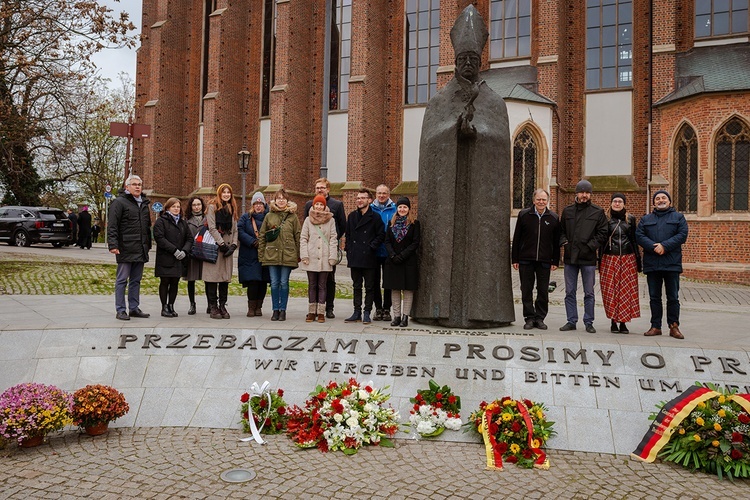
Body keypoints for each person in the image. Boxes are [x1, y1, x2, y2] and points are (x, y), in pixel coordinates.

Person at [412, 5, 514, 328]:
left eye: (473, 60)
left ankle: (483, 312)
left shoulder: (494, 102)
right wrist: (453, 130)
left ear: (480, 62)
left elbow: (501, 143)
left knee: (480, 253)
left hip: (479, 203)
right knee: (443, 252)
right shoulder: (439, 101)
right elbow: (428, 144)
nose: (468, 64)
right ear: (455, 62)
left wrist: (478, 133)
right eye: (462, 60)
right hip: (447, 201)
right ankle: (439, 310)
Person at [636, 189, 688, 339]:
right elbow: (639, 236)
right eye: (657, 198)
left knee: (673, 297)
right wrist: (654, 246)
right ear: (653, 202)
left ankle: (674, 326)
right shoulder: (646, 219)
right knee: (654, 297)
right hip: (653, 264)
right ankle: (655, 326)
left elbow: (682, 235)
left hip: (671, 264)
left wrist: (664, 246)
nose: (660, 200)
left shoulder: (678, 217)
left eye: (663, 198)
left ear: (670, 201)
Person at [559, 179, 608, 333]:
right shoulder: (567, 211)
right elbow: (560, 231)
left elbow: (603, 233)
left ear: (590, 194)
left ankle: (589, 321)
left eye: (587, 192)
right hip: (570, 258)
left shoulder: (598, 212)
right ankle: (571, 320)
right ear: (577, 193)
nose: (584, 195)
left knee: (589, 292)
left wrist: (590, 246)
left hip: (588, 259)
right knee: (569, 291)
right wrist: (564, 242)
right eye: (582, 192)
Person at [511, 188, 561, 330]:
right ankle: (529, 318)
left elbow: (556, 241)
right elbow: (517, 238)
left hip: (545, 260)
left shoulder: (553, 218)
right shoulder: (524, 215)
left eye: (543, 199)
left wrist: (555, 260)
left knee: (543, 291)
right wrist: (515, 259)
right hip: (525, 259)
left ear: (547, 201)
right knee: (526, 290)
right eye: (538, 199)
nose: (541, 202)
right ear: (533, 200)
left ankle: (540, 318)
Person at [107, 175, 151, 320]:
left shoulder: (144, 203)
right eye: (134, 184)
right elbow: (113, 225)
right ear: (127, 187)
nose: (138, 187)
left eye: (139, 184)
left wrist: (148, 244)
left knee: (136, 280)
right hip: (125, 247)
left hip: (140, 247)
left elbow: (147, 226)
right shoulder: (119, 203)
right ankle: (120, 310)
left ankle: (134, 308)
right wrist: (113, 244)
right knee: (122, 280)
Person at [599, 193, 641, 334]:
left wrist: (638, 259)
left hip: (627, 257)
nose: (617, 204)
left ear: (624, 204)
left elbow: (634, 240)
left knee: (625, 291)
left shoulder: (630, 219)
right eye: (615, 201)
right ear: (611, 203)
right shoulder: (605, 219)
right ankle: (613, 321)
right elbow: (602, 241)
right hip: (610, 258)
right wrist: (599, 261)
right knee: (611, 291)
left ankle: (623, 322)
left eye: (620, 201)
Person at [304, 178, 346, 318]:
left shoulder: (337, 205)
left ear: (328, 189)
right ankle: (313, 309)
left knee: (329, 280)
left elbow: (342, 225)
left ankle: (328, 308)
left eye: (322, 187)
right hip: (313, 251)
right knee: (313, 282)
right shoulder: (309, 205)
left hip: (328, 250)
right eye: (317, 188)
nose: (320, 190)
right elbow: (307, 227)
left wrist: (329, 243)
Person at [259, 188, 301, 321]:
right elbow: (262, 236)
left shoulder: (293, 217)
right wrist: (261, 255)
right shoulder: (269, 216)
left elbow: (298, 236)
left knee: (284, 282)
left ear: (287, 201)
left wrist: (298, 255)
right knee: (275, 283)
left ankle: (283, 310)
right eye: (279, 198)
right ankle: (275, 310)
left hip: (288, 254)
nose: (281, 200)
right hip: (271, 254)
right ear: (275, 200)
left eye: (283, 198)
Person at [344, 188, 385, 324]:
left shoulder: (375, 217)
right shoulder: (352, 216)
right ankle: (356, 312)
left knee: (370, 287)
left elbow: (381, 235)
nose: (359, 200)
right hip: (355, 256)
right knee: (356, 286)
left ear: (369, 200)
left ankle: (367, 312)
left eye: (362, 198)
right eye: (358, 198)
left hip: (369, 257)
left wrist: (371, 247)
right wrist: (349, 251)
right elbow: (348, 235)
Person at [299, 194, 338, 323]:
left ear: (324, 206)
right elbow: (303, 238)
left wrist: (333, 256)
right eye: (317, 204)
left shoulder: (331, 220)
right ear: (313, 205)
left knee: (322, 285)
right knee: (312, 285)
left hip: (325, 257)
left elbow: (333, 239)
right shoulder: (307, 220)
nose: (319, 206)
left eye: (321, 204)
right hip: (311, 257)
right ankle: (311, 311)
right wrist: (304, 255)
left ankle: (321, 312)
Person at [383, 197, 420, 328]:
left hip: (408, 261)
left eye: (405, 207)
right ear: (397, 208)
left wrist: (403, 255)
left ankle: (405, 317)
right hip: (393, 262)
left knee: (408, 290)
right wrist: (393, 255)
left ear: (409, 209)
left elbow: (415, 242)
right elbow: (387, 241)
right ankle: (396, 316)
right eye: (400, 207)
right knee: (395, 289)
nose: (402, 209)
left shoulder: (414, 223)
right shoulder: (391, 223)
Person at [204, 184, 239, 320]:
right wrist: (222, 244)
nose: (226, 194)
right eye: (224, 192)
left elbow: (235, 229)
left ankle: (223, 305)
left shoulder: (232, 208)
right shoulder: (212, 207)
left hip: (228, 249)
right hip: (215, 247)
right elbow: (212, 228)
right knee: (213, 278)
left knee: (224, 279)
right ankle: (213, 306)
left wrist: (234, 245)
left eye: (228, 192)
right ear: (219, 193)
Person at [153, 198, 192, 318]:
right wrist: (174, 250)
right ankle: (164, 307)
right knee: (165, 281)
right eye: (173, 206)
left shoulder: (183, 222)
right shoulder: (161, 221)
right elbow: (160, 238)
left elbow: (190, 239)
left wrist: (184, 251)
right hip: (166, 257)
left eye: (178, 207)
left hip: (179, 258)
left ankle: (171, 305)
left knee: (175, 282)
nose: (176, 209)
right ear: (168, 208)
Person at [238, 192, 270, 317]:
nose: (258, 206)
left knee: (263, 281)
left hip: (265, 254)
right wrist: (252, 242)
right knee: (253, 281)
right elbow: (240, 231)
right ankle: (251, 307)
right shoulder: (245, 217)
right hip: (249, 254)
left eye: (260, 204)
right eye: (256, 204)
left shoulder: (269, 217)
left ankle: (259, 307)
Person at [370, 184, 397, 322]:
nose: (381, 195)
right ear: (376, 194)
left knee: (388, 282)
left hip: (388, 251)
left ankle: (387, 309)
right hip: (374, 251)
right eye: (379, 193)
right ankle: (378, 308)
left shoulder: (395, 209)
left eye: (384, 193)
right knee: (374, 281)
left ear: (389, 194)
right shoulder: (370, 208)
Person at [184, 196, 207, 315]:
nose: (197, 207)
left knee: (208, 279)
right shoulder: (187, 220)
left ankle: (210, 304)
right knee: (191, 280)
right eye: (194, 205)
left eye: (199, 204)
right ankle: (192, 304)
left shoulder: (207, 219)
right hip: (192, 253)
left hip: (205, 252)